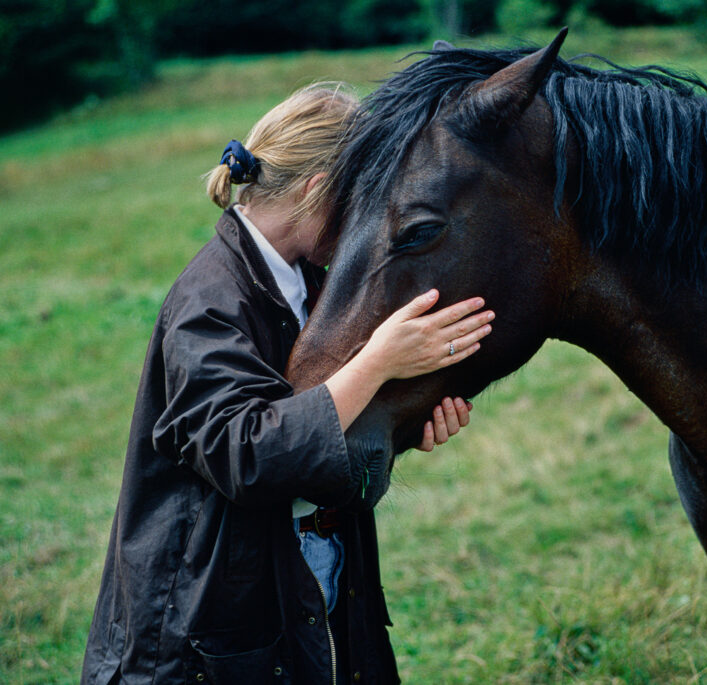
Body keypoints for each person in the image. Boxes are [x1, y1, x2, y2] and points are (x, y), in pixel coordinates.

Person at [81, 83, 493, 684]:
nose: (368, 221)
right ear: (318, 189)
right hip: (204, 623)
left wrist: (401, 422)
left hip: (305, 583)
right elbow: (246, 454)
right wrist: (376, 362)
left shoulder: (312, 282)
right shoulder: (210, 300)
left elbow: (322, 421)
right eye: (361, 198)